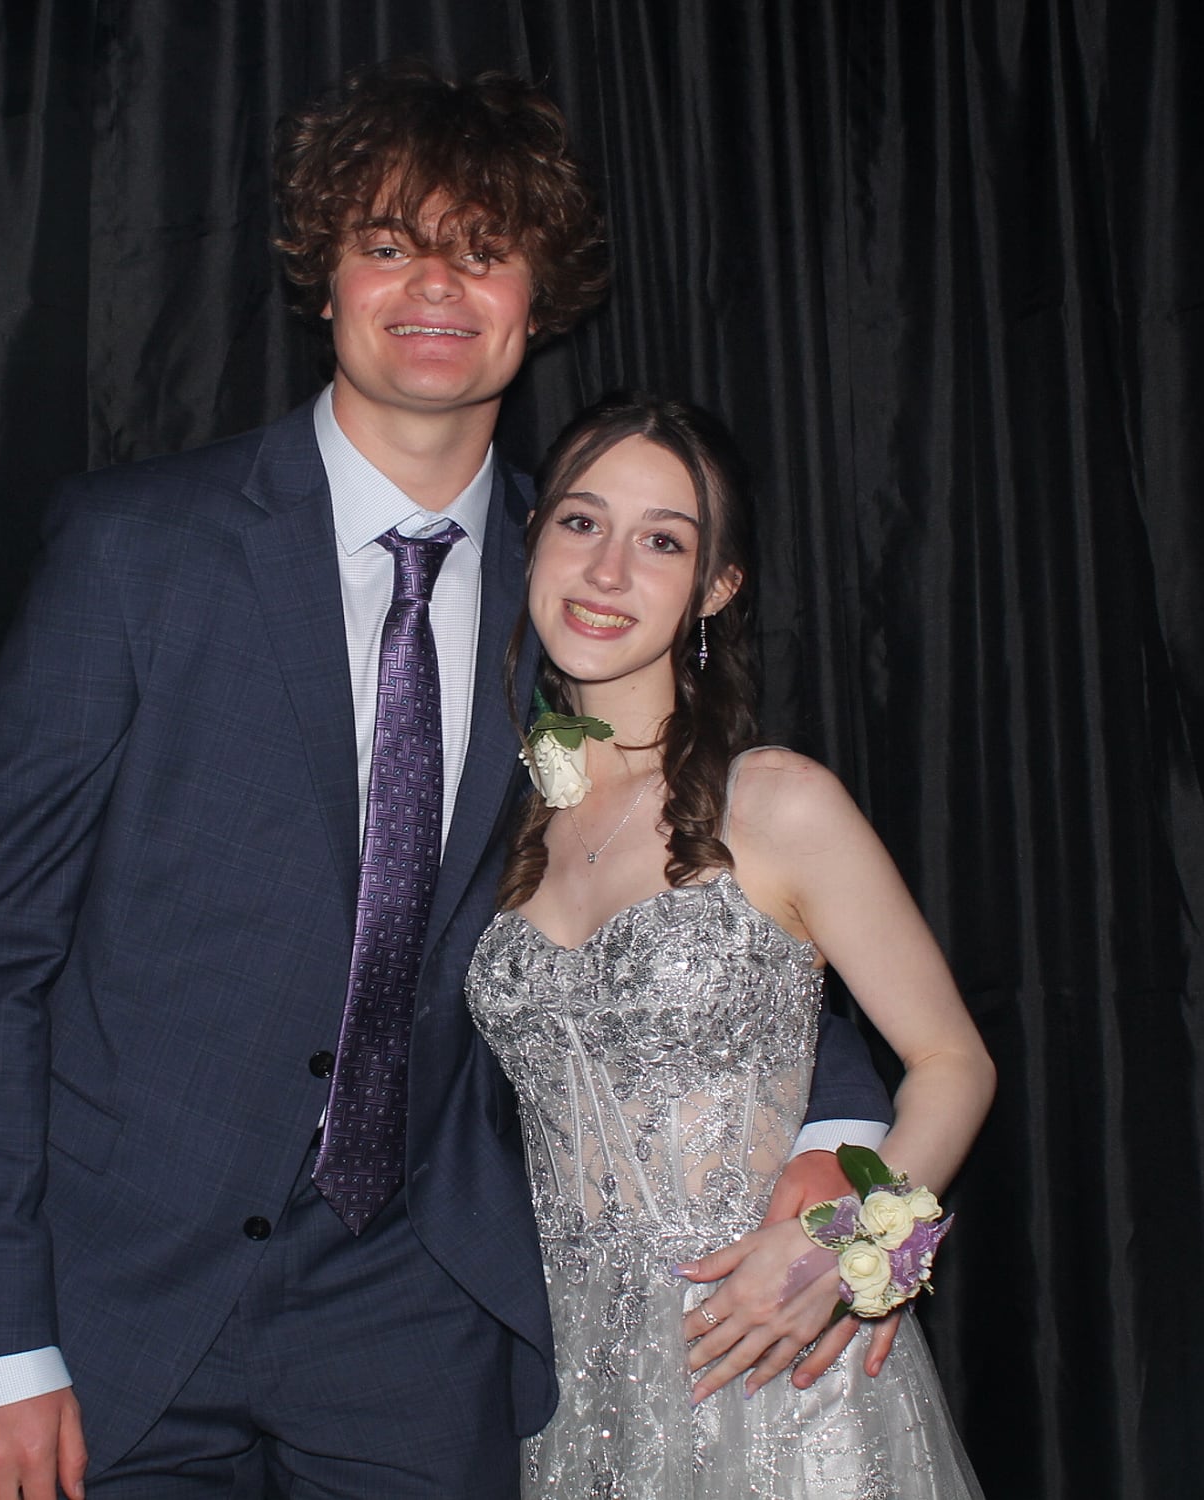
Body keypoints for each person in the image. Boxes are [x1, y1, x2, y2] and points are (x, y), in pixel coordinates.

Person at [0, 64, 894, 1500]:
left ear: (539, 299)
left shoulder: (580, 578)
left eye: (482, 249)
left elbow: (720, 873)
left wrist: (839, 1136)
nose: (436, 284)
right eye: (389, 243)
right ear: (326, 279)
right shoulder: (135, 550)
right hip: (116, 1303)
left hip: (424, 1307)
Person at [467, 392, 995, 1496]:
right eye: (581, 522)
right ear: (532, 540)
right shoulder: (498, 821)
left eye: (662, 541)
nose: (608, 569)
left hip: (772, 1356)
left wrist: (852, 1249)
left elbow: (953, 1062)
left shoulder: (780, 802)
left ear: (716, 588)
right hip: (569, 1385)